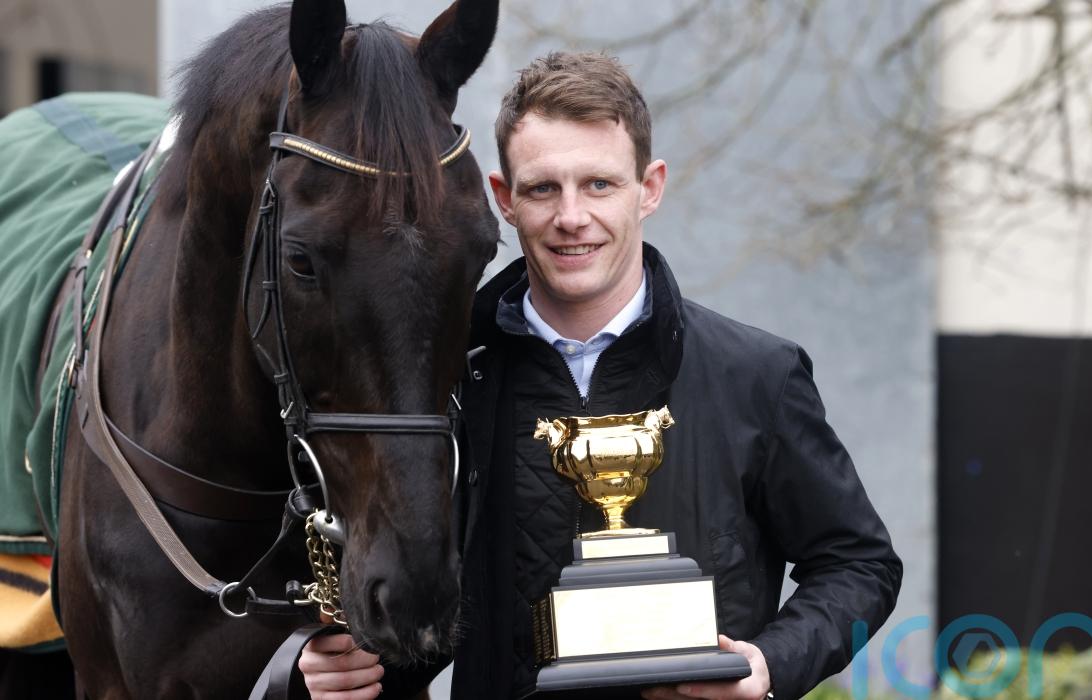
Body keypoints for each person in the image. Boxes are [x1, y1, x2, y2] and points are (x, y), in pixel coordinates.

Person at [300, 51, 902, 700]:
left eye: (599, 184)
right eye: (542, 188)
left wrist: (770, 664)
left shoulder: (758, 376)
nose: (571, 217)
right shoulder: (440, 387)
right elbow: (403, 590)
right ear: (503, 199)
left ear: (650, 188)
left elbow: (860, 564)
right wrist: (329, 666)